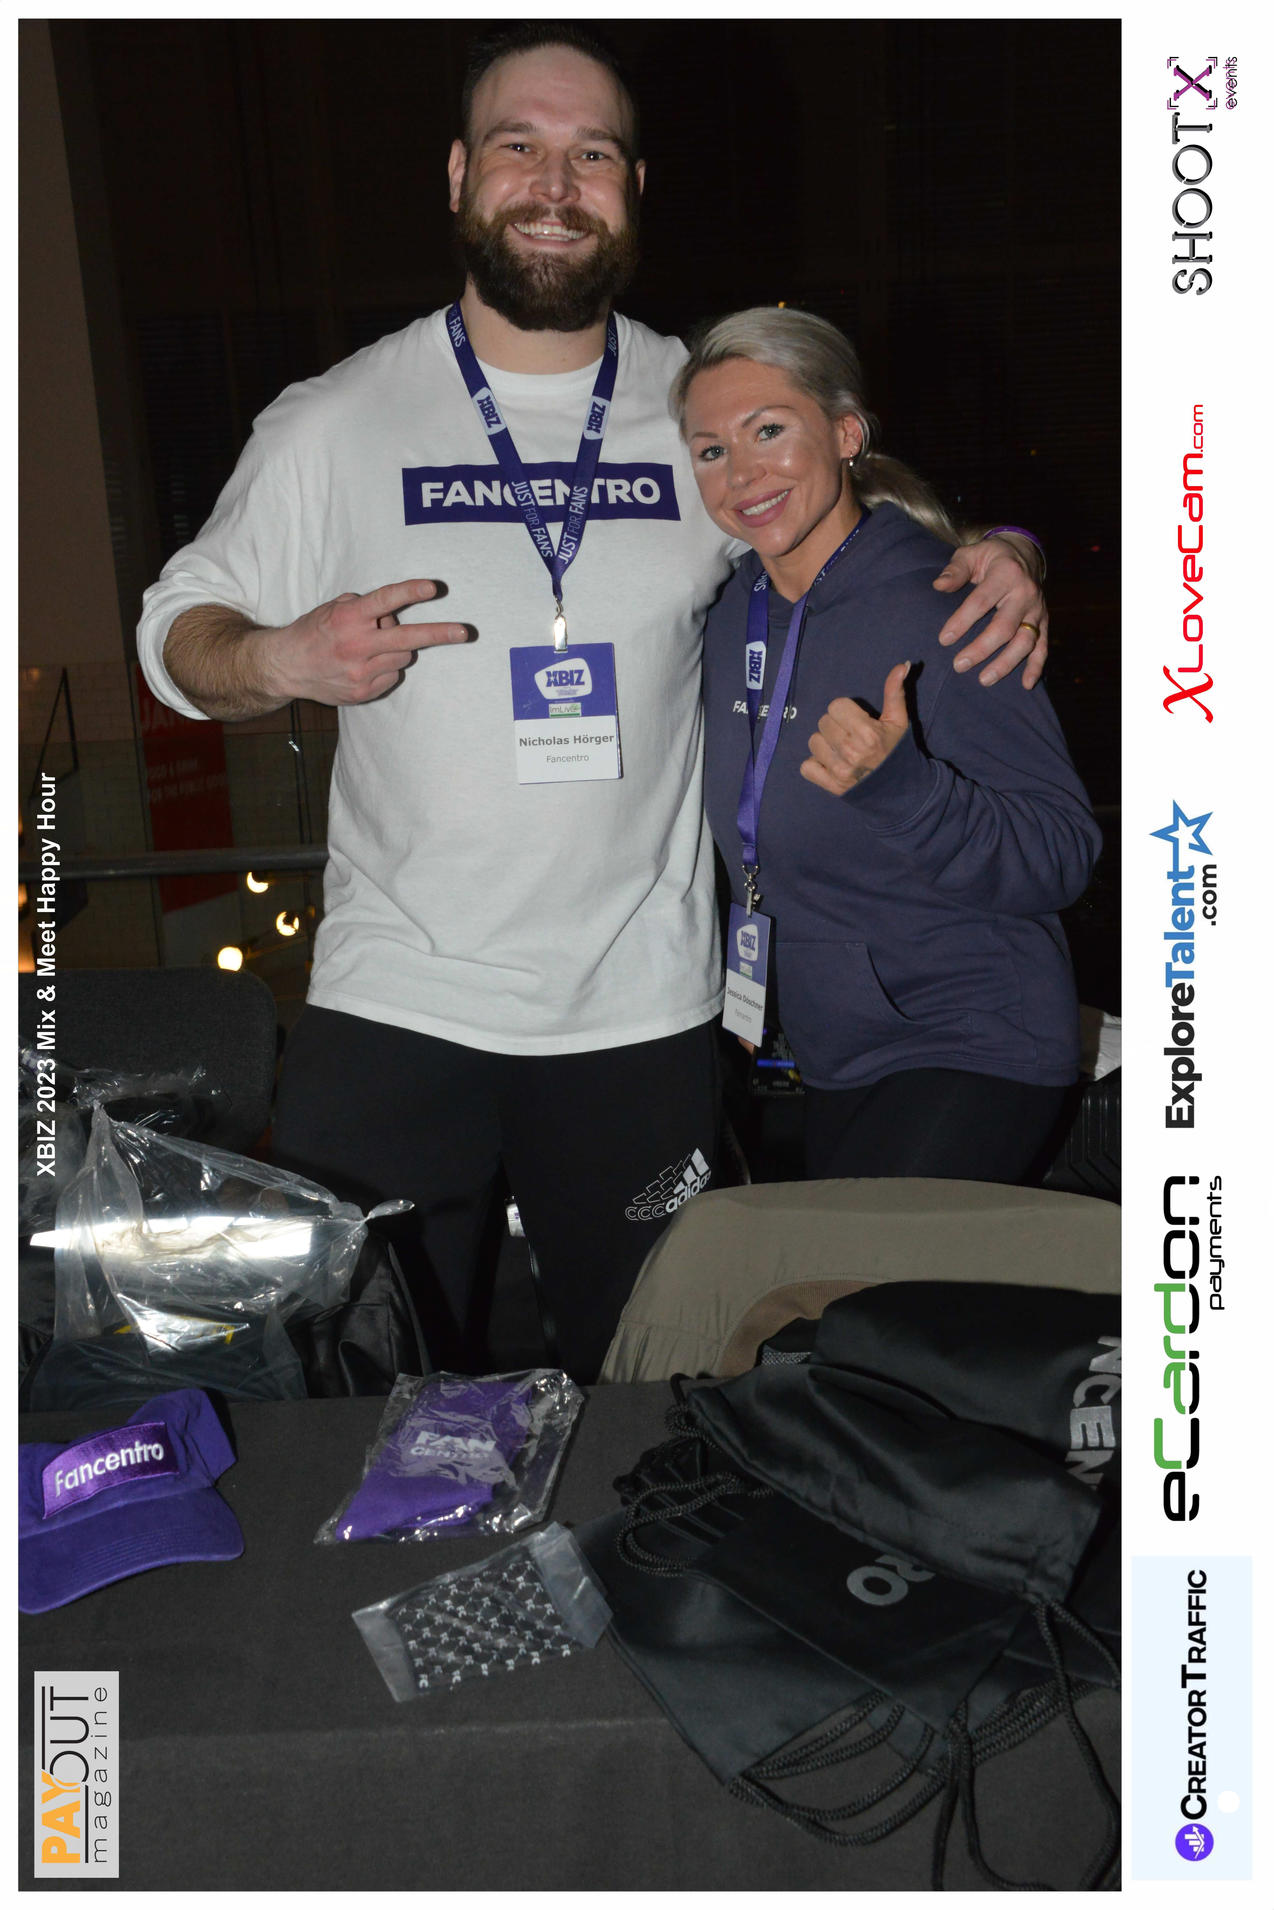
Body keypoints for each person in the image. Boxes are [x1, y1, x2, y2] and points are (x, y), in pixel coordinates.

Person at [136, 26, 1052, 1379]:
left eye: (593, 155)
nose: (555, 184)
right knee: (355, 1383)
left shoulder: (691, 407)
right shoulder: (334, 421)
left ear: (632, 188)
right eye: (519, 146)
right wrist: (275, 657)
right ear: (460, 174)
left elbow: (839, 511)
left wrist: (1002, 549)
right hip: (399, 999)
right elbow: (176, 629)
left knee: (659, 1381)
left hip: (640, 1011)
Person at [676, 307, 1100, 1183]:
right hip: (832, 1049)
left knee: (860, 1268)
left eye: (769, 430)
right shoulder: (722, 614)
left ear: (846, 433)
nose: (741, 473)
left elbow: (1062, 854)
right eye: (711, 449)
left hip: (973, 1039)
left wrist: (905, 792)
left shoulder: (944, 607)